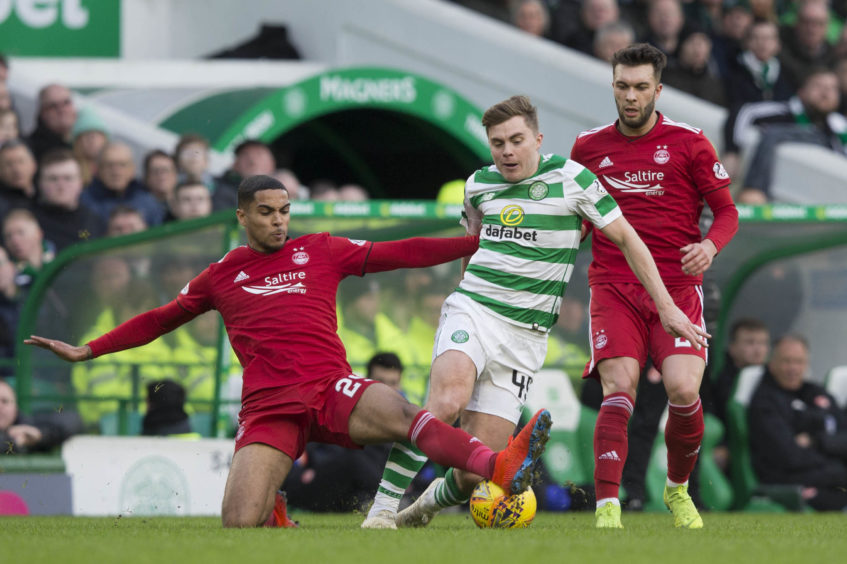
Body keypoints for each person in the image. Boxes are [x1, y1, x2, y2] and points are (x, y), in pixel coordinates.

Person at [25, 174, 552, 528]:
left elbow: (401, 253)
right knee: (238, 523)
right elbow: (159, 320)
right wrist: (89, 350)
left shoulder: (319, 248)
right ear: (241, 217)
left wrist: (472, 244)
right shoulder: (219, 277)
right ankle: (275, 509)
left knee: (405, 412)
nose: (279, 220)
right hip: (269, 407)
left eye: (284, 211)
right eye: (266, 212)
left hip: (331, 388)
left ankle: (498, 466)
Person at [362, 94, 708, 529]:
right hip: (476, 311)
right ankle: (379, 512)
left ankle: (421, 509)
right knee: (445, 401)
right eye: (497, 142)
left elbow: (628, 240)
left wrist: (669, 308)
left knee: (473, 474)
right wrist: (461, 304)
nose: (507, 151)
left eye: (516, 140)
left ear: (538, 139)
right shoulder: (478, 185)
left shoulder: (573, 180)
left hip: (526, 336)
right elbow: (471, 249)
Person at [570, 43, 739, 528]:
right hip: (614, 285)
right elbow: (580, 221)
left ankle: (677, 489)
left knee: (684, 389)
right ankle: (607, 506)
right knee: (618, 388)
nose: (630, 96)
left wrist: (709, 246)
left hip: (679, 288)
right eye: (622, 86)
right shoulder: (588, 147)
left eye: (641, 87)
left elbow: (727, 212)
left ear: (658, 89)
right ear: (613, 86)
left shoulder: (690, 142)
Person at [282, 352, 406, 513]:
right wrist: (305, 470)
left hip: (357, 490)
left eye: (393, 383)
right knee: (352, 459)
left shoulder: (401, 424)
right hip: (320, 481)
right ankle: (394, 500)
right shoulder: (343, 408)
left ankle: (383, 502)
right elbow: (306, 448)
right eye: (381, 382)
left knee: (362, 491)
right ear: (367, 382)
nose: (387, 390)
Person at [748, 335, 847, 511]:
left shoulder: (815, 393)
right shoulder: (765, 401)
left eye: (799, 362)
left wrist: (817, 441)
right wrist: (833, 455)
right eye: (787, 361)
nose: (793, 368)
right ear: (772, 364)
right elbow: (788, 455)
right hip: (785, 478)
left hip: (825, 472)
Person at [726, 68, 846, 201]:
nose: (826, 93)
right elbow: (744, 112)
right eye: (818, 86)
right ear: (801, 91)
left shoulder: (839, 129)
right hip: (776, 197)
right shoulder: (781, 113)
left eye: (833, 88)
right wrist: (732, 151)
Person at [34, 148, 105, 251]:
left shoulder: (92, 221)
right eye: (53, 179)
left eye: (68, 178)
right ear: (40, 183)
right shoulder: (29, 220)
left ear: (80, 183)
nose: (61, 186)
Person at [81, 142, 165, 228]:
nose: (116, 172)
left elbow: (161, 234)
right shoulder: (83, 202)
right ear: (98, 169)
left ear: (132, 169)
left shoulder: (148, 202)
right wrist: (93, 236)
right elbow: (80, 234)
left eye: (122, 165)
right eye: (109, 165)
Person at [0, 379, 73, 454]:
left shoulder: (25, 423)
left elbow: (71, 421)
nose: (0, 406)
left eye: (5, 401)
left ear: (15, 407)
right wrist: (14, 441)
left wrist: (39, 435)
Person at [27, 84, 77, 162]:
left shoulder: (83, 140)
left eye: (66, 103)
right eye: (53, 106)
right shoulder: (31, 148)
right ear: (42, 112)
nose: (61, 110)